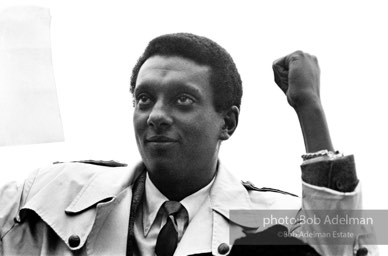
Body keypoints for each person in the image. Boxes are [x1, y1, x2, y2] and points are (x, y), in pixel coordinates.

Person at [0, 33, 376, 256]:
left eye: (183, 100)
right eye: (144, 99)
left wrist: (309, 108)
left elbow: (347, 246)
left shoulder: (271, 220)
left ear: (227, 123)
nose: (156, 115)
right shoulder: (52, 194)